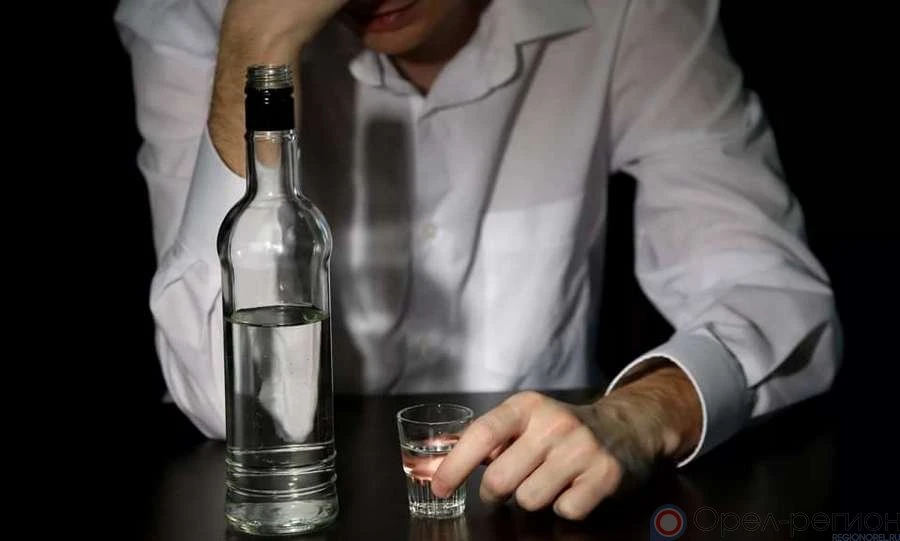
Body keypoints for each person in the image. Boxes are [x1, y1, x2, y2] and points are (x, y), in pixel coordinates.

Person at [114, 0, 841, 520]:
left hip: (533, 512)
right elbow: (220, 401)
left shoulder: (629, 12)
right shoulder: (195, 19)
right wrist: (256, 44)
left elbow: (772, 294)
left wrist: (643, 412)